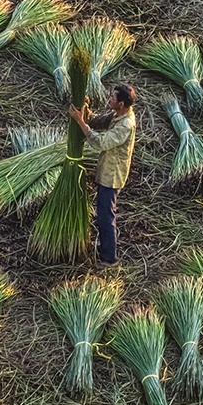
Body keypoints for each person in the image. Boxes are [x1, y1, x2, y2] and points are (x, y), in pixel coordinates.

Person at [72, 83, 138, 267]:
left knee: (105, 216)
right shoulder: (118, 115)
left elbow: (101, 142)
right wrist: (85, 111)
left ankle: (109, 258)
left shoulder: (125, 125)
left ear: (122, 104)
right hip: (106, 169)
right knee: (103, 212)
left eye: (113, 98)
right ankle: (105, 250)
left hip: (112, 175)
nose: (110, 100)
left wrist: (80, 123)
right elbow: (97, 121)